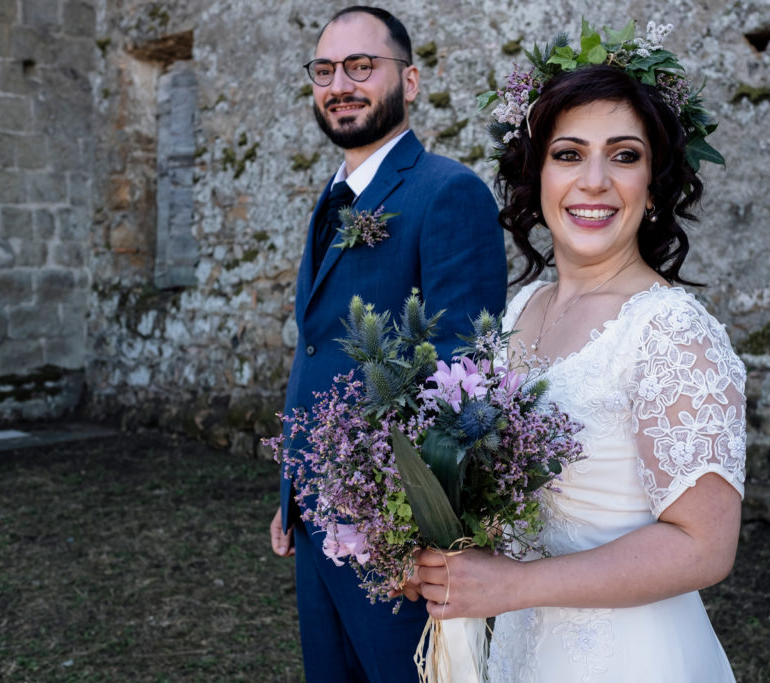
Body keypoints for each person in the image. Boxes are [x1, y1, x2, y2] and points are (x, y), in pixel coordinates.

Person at [411, 36, 747, 682]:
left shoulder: (671, 332)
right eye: (568, 154)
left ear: (653, 187)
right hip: (525, 646)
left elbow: (705, 545)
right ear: (538, 176)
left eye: (624, 156)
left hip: (632, 656)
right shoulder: (522, 309)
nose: (594, 181)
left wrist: (516, 584)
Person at [268, 6, 507, 681]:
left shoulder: (447, 193)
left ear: (411, 81)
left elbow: (466, 375)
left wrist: (421, 535)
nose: (340, 83)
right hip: (318, 524)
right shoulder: (332, 196)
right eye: (325, 70)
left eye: (361, 66)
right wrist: (292, 489)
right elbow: (316, 350)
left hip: (395, 545)